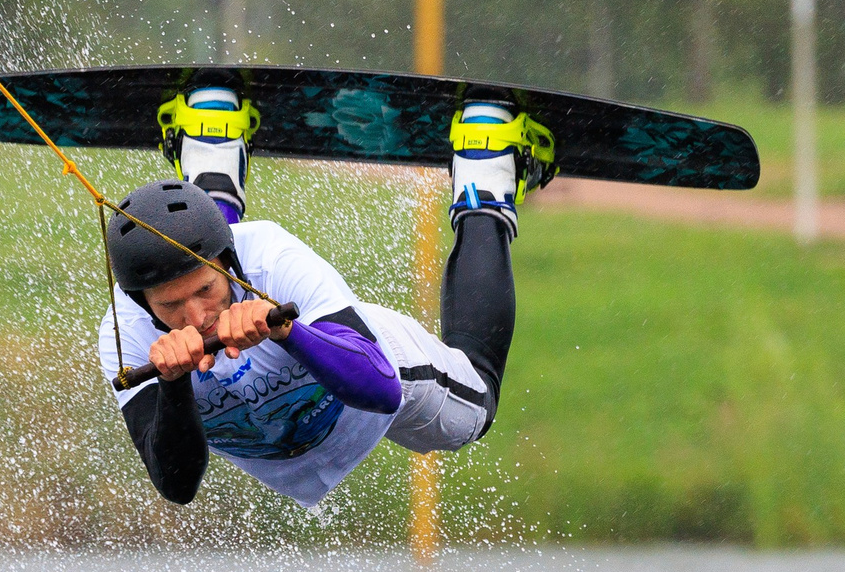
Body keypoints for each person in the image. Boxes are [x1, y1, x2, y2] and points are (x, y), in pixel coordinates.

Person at [97, 88, 548, 510]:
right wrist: (173, 382)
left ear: (228, 261)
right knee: (191, 275)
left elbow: (384, 391)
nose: (196, 317)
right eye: (172, 306)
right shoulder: (128, 338)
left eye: (205, 290)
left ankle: (485, 170)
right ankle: (213, 141)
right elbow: (177, 485)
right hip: (282, 445)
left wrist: (288, 332)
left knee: (478, 408)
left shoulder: (272, 258)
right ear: (140, 303)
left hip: (361, 360)